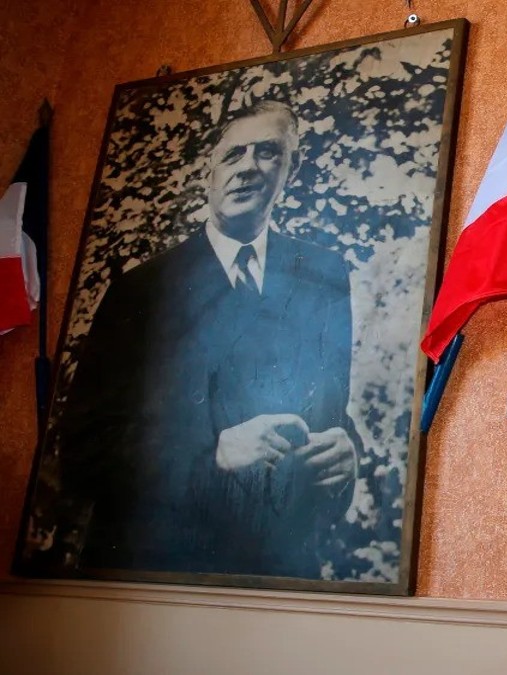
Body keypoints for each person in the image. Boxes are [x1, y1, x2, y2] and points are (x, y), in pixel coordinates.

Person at [58, 100, 358, 579]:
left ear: (291, 168)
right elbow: (83, 450)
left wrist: (346, 456)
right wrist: (213, 454)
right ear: (209, 170)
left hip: (280, 573)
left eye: (267, 153)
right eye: (233, 155)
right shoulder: (142, 289)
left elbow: (329, 407)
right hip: (156, 572)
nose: (247, 168)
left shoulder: (324, 274)